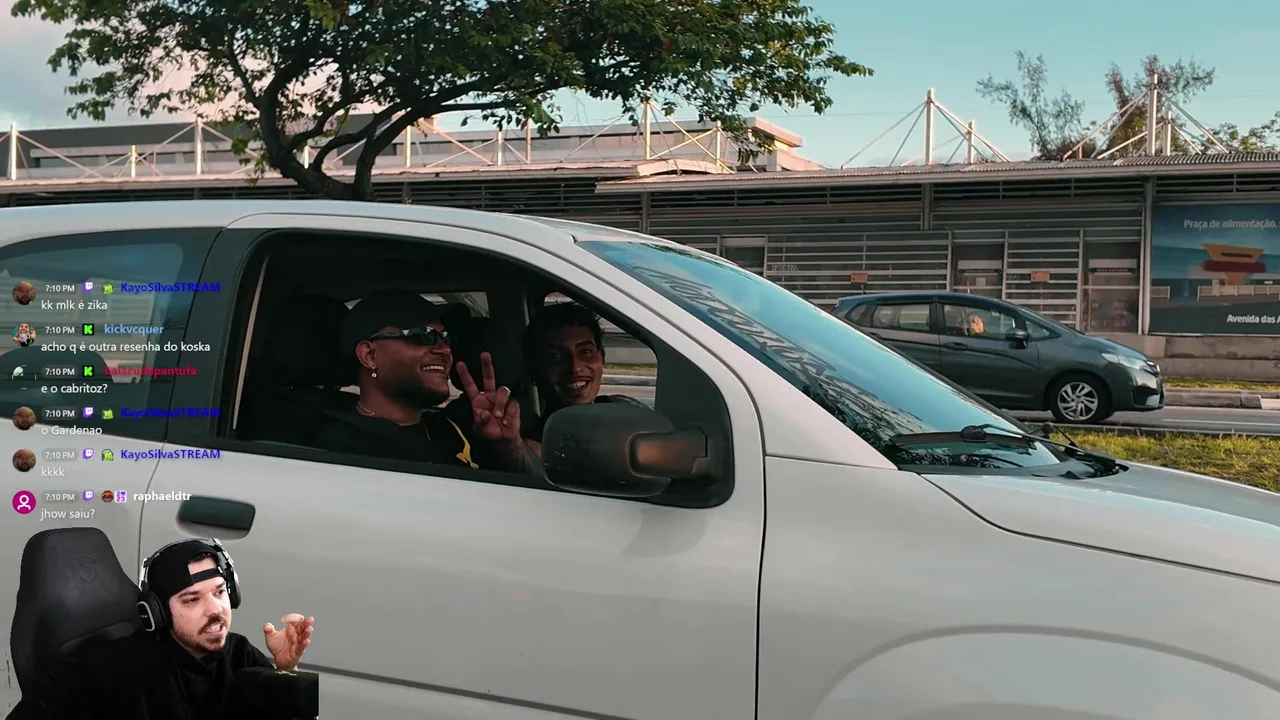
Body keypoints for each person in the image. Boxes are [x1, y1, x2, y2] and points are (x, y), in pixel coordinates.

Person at [9, 539, 315, 719]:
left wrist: (285, 670)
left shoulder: (238, 654)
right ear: (155, 613)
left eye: (220, 592)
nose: (215, 610)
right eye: (192, 599)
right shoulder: (120, 669)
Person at [311, 290, 535, 474]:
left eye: (445, 338)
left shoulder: (449, 427)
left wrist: (508, 446)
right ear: (369, 356)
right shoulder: (339, 452)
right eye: (424, 335)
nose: (444, 349)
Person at [521, 302, 645, 453]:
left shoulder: (625, 410)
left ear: (602, 357)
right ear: (533, 370)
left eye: (585, 352)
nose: (574, 367)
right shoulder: (533, 449)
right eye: (555, 356)